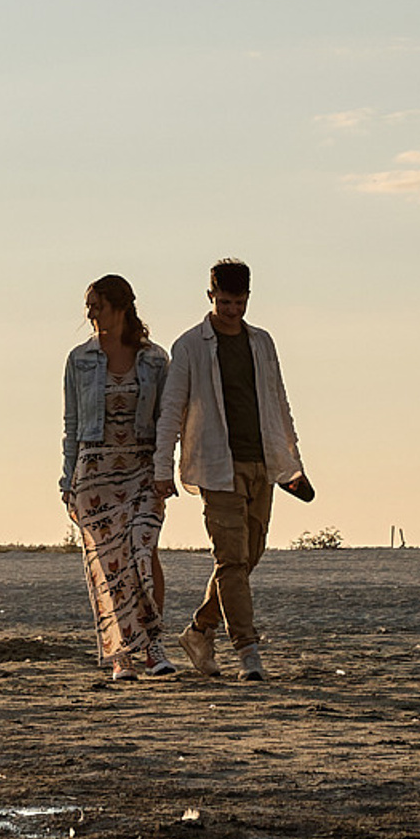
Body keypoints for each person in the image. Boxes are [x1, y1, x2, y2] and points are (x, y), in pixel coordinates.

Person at [154, 258, 306, 681]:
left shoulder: (262, 342)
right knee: (232, 561)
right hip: (215, 466)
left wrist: (294, 464)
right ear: (210, 296)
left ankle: (200, 629)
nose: (232, 310)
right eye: (224, 302)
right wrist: (161, 467)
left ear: (248, 298)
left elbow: (279, 403)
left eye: (238, 302)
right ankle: (248, 653)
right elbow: (171, 410)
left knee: (248, 556)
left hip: (264, 463)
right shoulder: (189, 346)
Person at [60, 274, 178, 680]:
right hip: (95, 472)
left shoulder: (155, 359)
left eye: (98, 305)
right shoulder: (79, 360)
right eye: (89, 306)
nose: (91, 313)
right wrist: (66, 480)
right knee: (110, 565)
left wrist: (165, 470)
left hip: (142, 468)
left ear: (120, 307)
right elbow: (72, 423)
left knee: (143, 552)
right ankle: (121, 655)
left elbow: (167, 421)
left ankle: (154, 644)